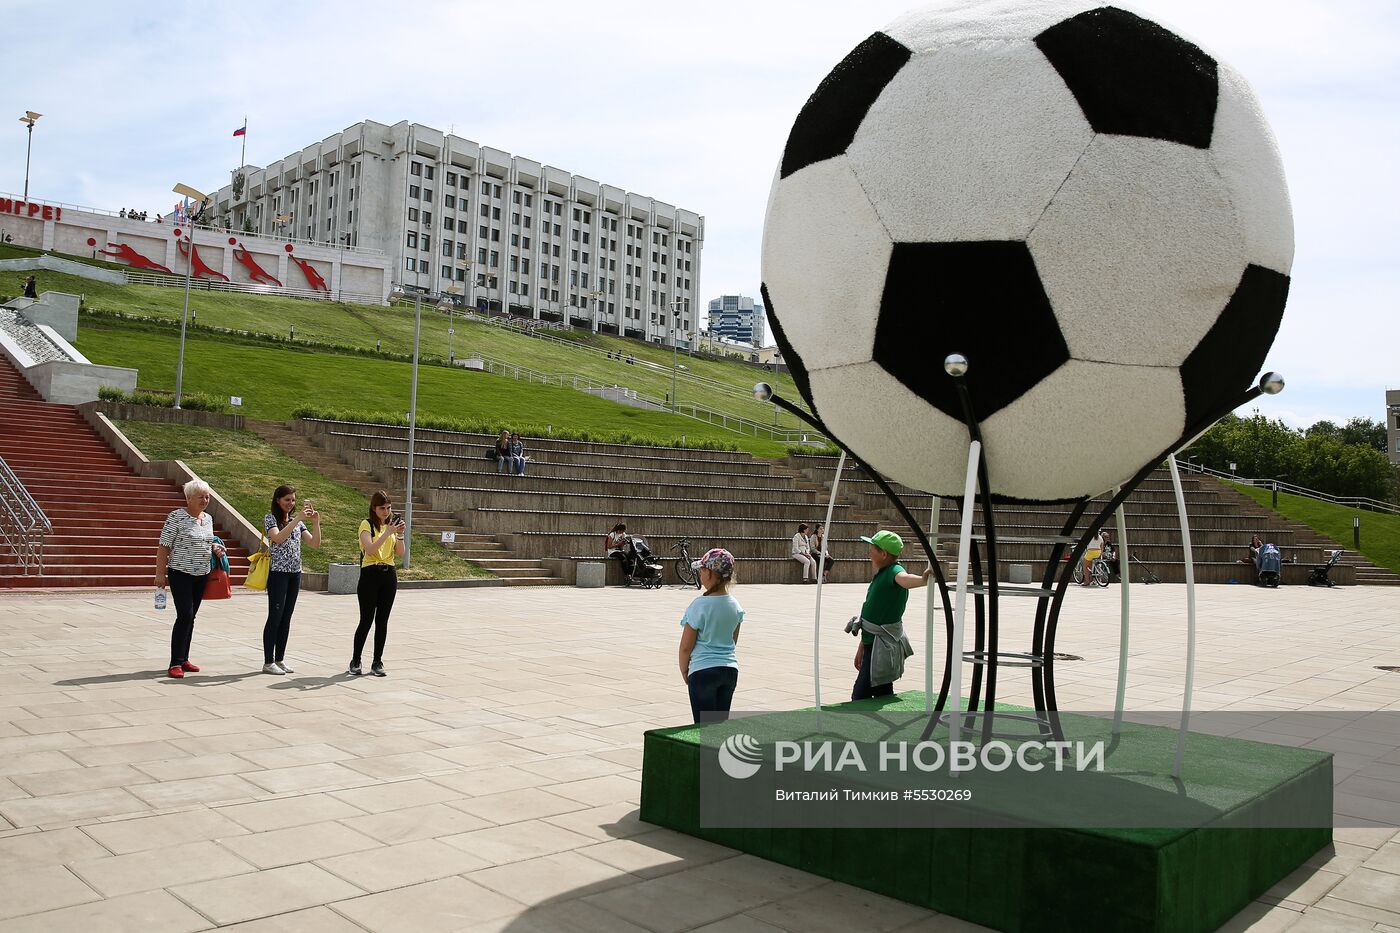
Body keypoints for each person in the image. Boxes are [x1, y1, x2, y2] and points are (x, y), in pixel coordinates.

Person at [155, 479, 225, 679]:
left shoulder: (208, 519)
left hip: (202, 574)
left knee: (191, 616)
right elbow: (164, 546)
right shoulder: (176, 517)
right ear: (188, 499)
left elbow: (207, 540)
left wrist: (215, 548)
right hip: (180, 573)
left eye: (207, 496)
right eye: (201, 497)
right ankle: (175, 662)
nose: (205, 500)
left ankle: (184, 657)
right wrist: (160, 574)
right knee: (184, 615)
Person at [851, 530, 931, 701]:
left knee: (860, 694)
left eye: (872, 549)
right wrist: (862, 646)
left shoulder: (894, 570)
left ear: (884, 553)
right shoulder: (883, 572)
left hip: (881, 645)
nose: (869, 553)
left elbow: (905, 579)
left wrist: (922, 580)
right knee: (882, 689)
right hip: (873, 642)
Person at [678, 548, 743, 723]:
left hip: (703, 671)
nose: (700, 574)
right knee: (718, 725)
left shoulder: (699, 605)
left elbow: (686, 646)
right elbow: (732, 640)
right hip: (729, 670)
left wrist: (684, 669)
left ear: (710, 573)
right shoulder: (735, 605)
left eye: (702, 570)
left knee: (703, 727)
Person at [262, 484, 321, 675]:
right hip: (278, 573)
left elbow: (314, 543)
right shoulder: (270, 518)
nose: (291, 503)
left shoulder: (298, 522)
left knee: (286, 618)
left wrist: (315, 523)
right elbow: (277, 538)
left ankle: (280, 659)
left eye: (293, 500)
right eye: (287, 500)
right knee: (275, 616)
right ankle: (268, 661)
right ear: (278, 500)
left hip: (295, 573)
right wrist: (297, 519)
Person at [351, 490, 405, 677]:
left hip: (388, 573)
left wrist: (399, 535)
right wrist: (387, 532)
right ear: (374, 508)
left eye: (389, 508)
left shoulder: (390, 527)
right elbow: (371, 549)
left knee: (382, 621)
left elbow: (400, 553)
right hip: (370, 573)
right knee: (366, 619)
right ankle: (356, 660)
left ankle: (377, 661)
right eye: (382, 508)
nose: (386, 512)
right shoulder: (366, 525)